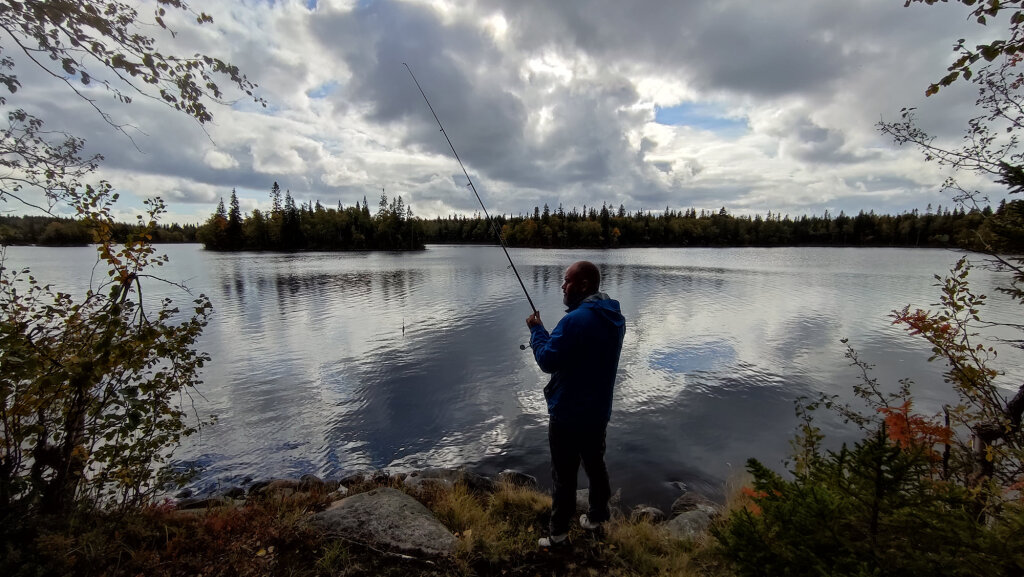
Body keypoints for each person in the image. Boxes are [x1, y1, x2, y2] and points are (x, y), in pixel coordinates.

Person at [526, 260, 626, 548]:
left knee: (564, 475)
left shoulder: (574, 321)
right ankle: (597, 517)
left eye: (567, 281)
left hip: (568, 412)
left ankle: (557, 534)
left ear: (583, 285)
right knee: (596, 465)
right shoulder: (615, 317)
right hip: (597, 411)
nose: (562, 285)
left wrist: (536, 330)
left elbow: (547, 360)